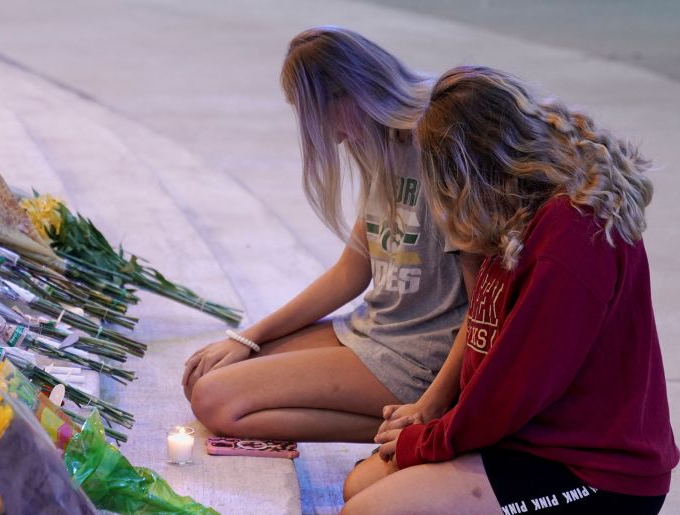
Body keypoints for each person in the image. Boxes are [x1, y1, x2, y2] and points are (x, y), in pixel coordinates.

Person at [339, 66, 680, 515]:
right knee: (362, 485)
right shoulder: (522, 213)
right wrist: (427, 417)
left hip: (594, 478)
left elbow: (513, 391)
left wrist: (427, 441)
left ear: (469, 164)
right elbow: (485, 342)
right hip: (532, 446)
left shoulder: (570, 236)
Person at [183, 27, 477, 443]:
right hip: (378, 328)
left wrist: (433, 399)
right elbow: (350, 273)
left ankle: (426, 428)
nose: (314, 129)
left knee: (216, 399)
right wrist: (248, 336)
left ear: (347, 95)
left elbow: (482, 304)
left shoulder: (434, 145)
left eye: (311, 112)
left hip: (418, 357)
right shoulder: (377, 142)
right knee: (214, 372)